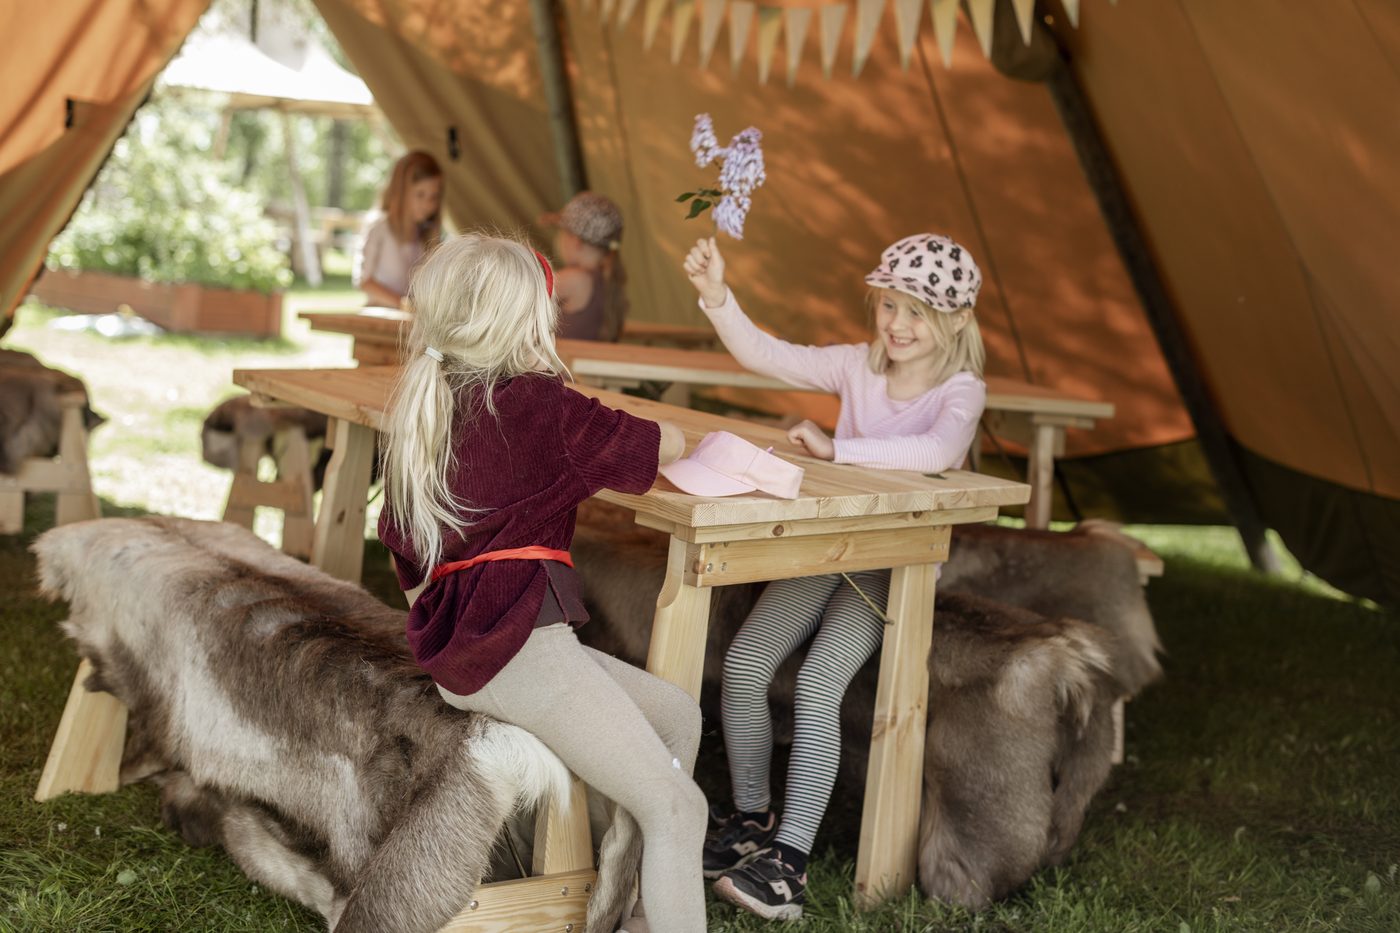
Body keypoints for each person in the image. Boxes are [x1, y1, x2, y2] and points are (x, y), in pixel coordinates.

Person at [377, 233, 707, 933]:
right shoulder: (541, 406)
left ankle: (638, 911)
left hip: (472, 658)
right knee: (680, 807)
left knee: (677, 715)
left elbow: (403, 552)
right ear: (530, 320)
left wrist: (456, 637)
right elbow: (658, 446)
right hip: (525, 655)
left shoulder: (423, 410)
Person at [681, 233, 988, 921]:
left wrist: (838, 447)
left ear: (957, 320)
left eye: (918, 312)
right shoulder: (857, 365)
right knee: (745, 661)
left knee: (820, 680)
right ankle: (752, 818)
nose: (898, 325)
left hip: (891, 562)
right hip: (832, 547)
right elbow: (767, 355)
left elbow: (940, 450)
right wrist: (717, 297)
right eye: (887, 306)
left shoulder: (961, 388)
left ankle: (789, 862)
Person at [353, 150, 443, 308]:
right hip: (378, 318)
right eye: (420, 195)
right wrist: (402, 304)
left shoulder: (425, 235)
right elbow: (364, 281)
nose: (428, 205)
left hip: (408, 324)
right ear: (401, 192)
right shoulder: (379, 227)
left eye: (433, 197)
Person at [544, 191, 629, 341]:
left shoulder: (575, 279)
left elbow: (515, 299)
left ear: (575, 241)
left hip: (563, 362)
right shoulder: (607, 278)